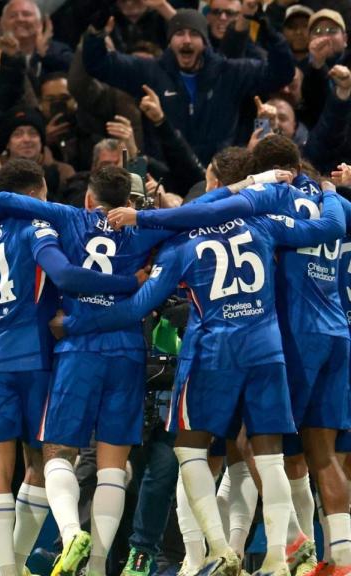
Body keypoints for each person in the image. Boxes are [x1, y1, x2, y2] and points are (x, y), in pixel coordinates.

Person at [57, 178, 348, 576]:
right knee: (269, 453)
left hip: (214, 352)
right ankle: (281, 556)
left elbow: (137, 307)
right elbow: (326, 228)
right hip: (267, 350)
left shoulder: (179, 246)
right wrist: (330, 194)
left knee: (190, 449)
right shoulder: (261, 224)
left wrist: (73, 325)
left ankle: (217, 551)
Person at [0, 166, 181, 576]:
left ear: (89, 199)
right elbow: (197, 215)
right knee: (113, 466)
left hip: (77, 352)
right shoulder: (142, 230)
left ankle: (71, 532)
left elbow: (1, 201)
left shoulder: (67, 217)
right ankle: (95, 567)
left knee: (57, 453)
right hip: (127, 351)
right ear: (128, 202)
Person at [83, 8, 295, 164]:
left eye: (194, 34)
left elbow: (282, 72)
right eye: (179, 34)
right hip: (168, 177)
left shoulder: (229, 72)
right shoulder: (149, 72)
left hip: (221, 175)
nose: (186, 40)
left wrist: (265, 27)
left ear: (204, 41)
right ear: (169, 41)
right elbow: (98, 65)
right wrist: (96, 32)